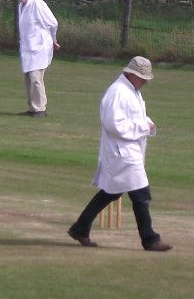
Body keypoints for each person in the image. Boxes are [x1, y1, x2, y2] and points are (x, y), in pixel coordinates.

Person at [67, 56, 172, 252]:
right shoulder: (118, 92)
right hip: (121, 152)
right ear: (132, 74)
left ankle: (80, 228)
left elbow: (133, 116)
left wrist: (146, 123)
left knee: (110, 193)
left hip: (127, 151)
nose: (146, 82)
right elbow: (114, 124)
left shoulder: (131, 90)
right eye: (143, 78)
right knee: (141, 194)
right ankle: (150, 239)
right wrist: (143, 126)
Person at [16, 0, 59, 118]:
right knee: (28, 79)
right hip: (27, 48)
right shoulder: (21, 6)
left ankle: (41, 109)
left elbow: (53, 23)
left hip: (40, 47)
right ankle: (32, 108)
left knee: (36, 78)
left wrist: (53, 40)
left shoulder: (38, 4)